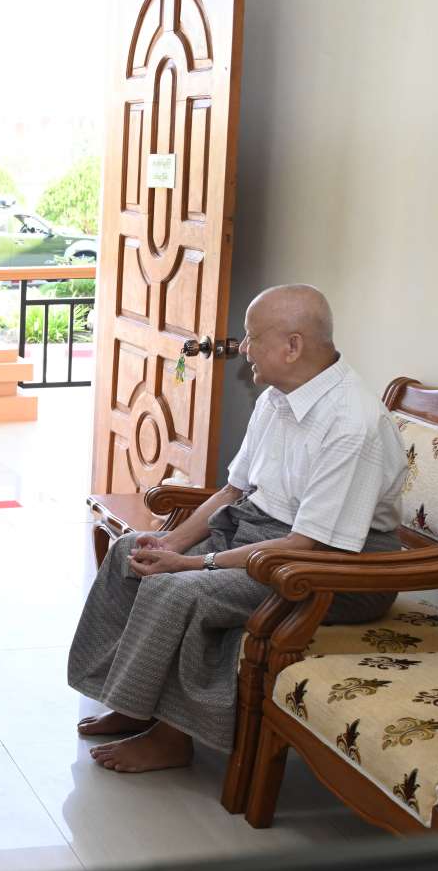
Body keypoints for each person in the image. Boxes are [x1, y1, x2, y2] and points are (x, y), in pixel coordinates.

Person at [67, 285, 407, 773]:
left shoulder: (353, 422)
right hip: (267, 537)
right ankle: (130, 702)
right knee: (129, 551)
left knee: (179, 588)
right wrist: (168, 542)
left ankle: (171, 739)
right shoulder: (275, 399)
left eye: (252, 337)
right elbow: (232, 491)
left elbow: (304, 543)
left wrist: (192, 563)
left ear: (292, 346)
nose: (243, 348)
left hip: (339, 569)